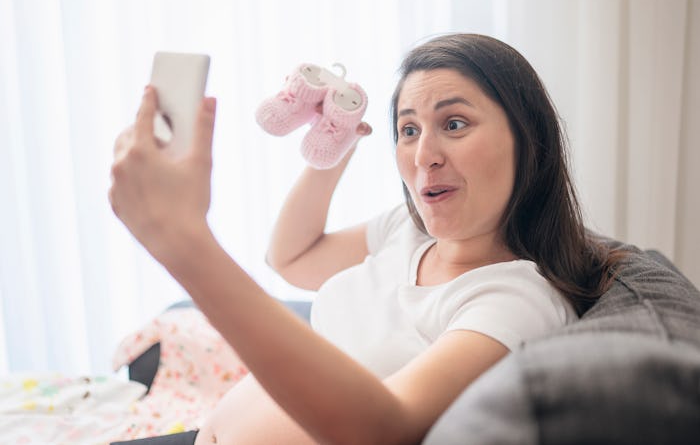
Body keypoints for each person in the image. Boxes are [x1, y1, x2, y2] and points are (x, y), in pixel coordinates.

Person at [109, 33, 623, 444]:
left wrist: (186, 243)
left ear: (527, 137)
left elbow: (385, 427)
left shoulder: (513, 298)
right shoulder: (409, 230)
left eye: (455, 123)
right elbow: (290, 257)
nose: (423, 155)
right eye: (408, 130)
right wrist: (335, 146)